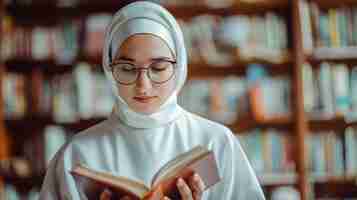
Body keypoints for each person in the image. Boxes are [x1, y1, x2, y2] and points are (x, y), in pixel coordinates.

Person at [39, 1, 265, 199]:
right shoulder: (77, 155)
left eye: (158, 68)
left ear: (179, 67)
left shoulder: (216, 143)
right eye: (127, 69)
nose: (143, 85)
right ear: (109, 69)